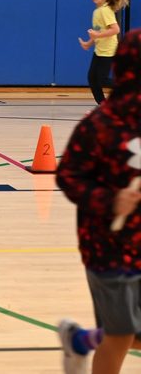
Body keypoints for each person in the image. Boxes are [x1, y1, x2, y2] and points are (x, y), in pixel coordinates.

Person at [56, 28, 141, 374]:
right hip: (107, 246)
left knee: (133, 334)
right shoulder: (100, 125)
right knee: (121, 335)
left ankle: (79, 341)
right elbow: (68, 176)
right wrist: (110, 200)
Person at [78, 0, 129, 104]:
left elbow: (115, 29)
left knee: (102, 79)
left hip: (108, 51)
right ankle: (103, 105)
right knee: (92, 78)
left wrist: (96, 36)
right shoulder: (97, 11)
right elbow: (98, 32)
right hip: (99, 51)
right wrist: (89, 43)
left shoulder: (105, 11)